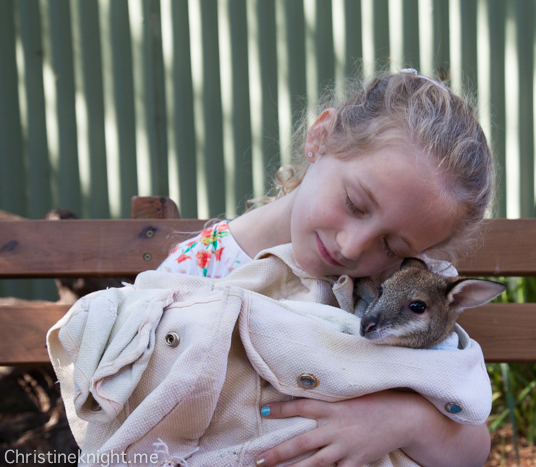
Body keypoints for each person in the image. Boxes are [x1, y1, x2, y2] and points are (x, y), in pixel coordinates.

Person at [158, 70, 495, 467]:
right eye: (354, 203)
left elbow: (473, 447)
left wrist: (406, 421)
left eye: (391, 245)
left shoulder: (397, 285)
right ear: (320, 139)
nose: (351, 246)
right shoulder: (198, 267)